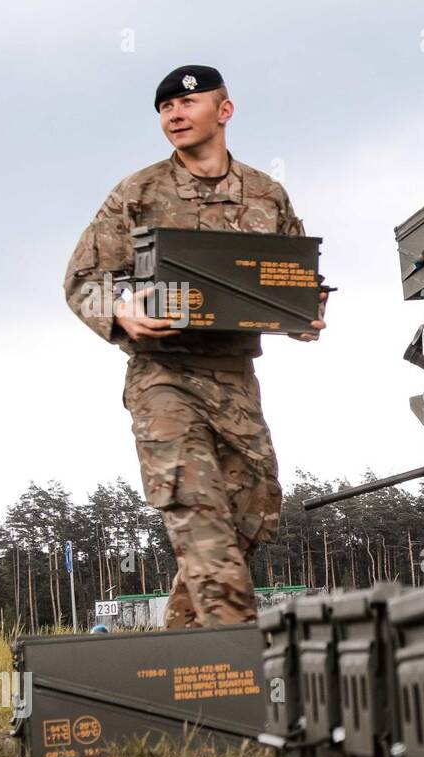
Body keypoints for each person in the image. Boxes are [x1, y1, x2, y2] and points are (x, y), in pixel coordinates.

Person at [62, 65, 326, 630]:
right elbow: (83, 279)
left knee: (253, 512)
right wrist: (120, 309)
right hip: (163, 377)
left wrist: (307, 311)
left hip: (234, 377)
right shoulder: (138, 192)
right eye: (164, 109)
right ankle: (242, 663)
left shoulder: (265, 193)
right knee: (198, 512)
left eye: (187, 104)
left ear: (224, 111)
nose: (174, 115)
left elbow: (294, 273)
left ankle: (182, 652)